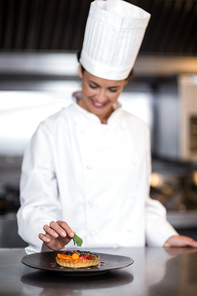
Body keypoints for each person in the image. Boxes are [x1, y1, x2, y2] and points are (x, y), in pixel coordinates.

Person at [17, 0, 197, 254]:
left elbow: (141, 203)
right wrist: (48, 233)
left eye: (113, 89)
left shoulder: (137, 128)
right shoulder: (51, 130)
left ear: (126, 82)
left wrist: (166, 236)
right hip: (75, 259)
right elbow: (35, 206)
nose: (101, 97)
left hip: (131, 263)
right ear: (81, 71)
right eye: (93, 85)